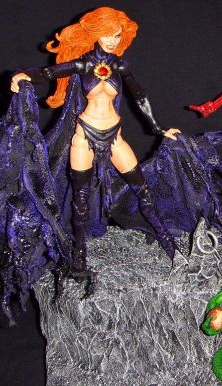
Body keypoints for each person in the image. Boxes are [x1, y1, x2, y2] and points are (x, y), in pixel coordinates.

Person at [11, 6, 180, 274]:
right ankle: (79, 253)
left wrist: (159, 128)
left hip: (114, 136)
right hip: (85, 136)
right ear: (96, 34)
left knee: (143, 190)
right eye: (108, 34)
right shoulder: (83, 64)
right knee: (81, 200)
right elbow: (47, 73)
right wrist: (24, 75)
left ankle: (168, 241)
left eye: (117, 35)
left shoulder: (120, 65)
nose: (113, 40)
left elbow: (140, 96)